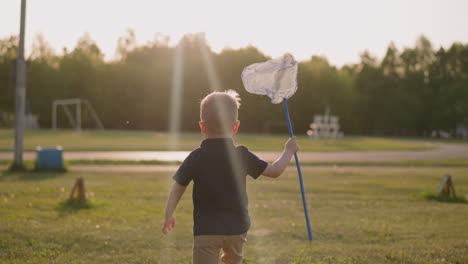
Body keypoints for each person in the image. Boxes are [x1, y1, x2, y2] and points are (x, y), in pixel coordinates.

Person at [162, 90, 299, 264]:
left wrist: (169, 215)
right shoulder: (241, 155)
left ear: (202, 126)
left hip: (206, 230)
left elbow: (178, 187)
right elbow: (274, 171)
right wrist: (288, 151)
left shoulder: (196, 157)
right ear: (236, 126)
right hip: (237, 229)